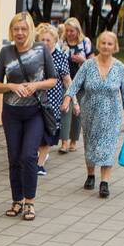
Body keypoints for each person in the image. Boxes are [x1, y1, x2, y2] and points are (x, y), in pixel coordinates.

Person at [0, 12, 64, 220]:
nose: (20, 33)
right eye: (16, 29)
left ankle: (30, 202)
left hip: (35, 112)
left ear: (30, 30)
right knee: (14, 157)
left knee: (28, 156)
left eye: (24, 29)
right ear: (11, 31)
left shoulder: (41, 50)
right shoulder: (6, 52)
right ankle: (17, 200)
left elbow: (52, 79)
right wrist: (11, 86)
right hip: (12, 113)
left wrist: (35, 85)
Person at [60, 30, 124, 198]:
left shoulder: (120, 67)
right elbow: (75, 84)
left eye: (110, 43)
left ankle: (104, 182)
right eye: (103, 43)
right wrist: (67, 98)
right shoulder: (88, 65)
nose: (106, 46)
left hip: (112, 114)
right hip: (90, 111)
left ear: (115, 47)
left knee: (108, 146)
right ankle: (91, 174)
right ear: (98, 45)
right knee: (91, 144)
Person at [34, 22, 72, 175]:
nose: (44, 43)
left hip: (53, 102)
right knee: (34, 131)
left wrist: (70, 100)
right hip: (34, 100)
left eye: (48, 40)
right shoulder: (33, 55)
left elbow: (68, 80)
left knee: (48, 133)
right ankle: (36, 155)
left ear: (55, 41)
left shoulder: (61, 57)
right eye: (42, 40)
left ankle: (40, 164)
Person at [57, 17, 92, 154]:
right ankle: (64, 141)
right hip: (65, 80)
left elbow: (93, 62)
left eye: (72, 31)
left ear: (78, 31)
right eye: (67, 30)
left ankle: (73, 140)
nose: (69, 33)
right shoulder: (61, 42)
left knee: (78, 112)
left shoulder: (85, 42)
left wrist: (82, 60)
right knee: (65, 109)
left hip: (81, 81)